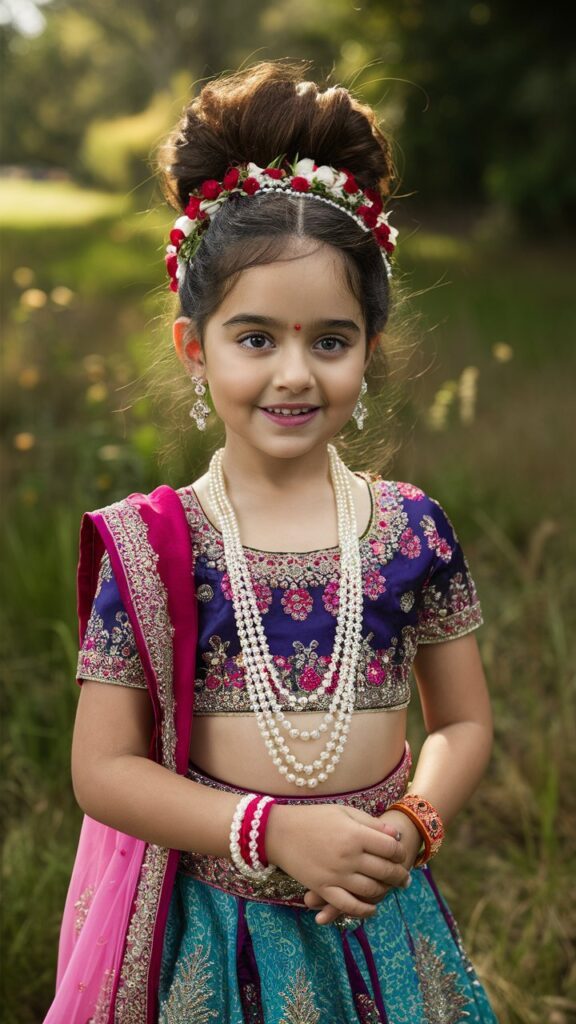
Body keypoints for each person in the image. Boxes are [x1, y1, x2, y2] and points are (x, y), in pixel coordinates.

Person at [45, 61, 498, 1023]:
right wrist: (270, 832)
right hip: (219, 931)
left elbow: (461, 723)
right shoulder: (161, 543)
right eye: (256, 338)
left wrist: (413, 827)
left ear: (369, 349)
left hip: (384, 916)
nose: (294, 374)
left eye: (329, 340)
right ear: (192, 346)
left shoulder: (410, 528)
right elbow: (102, 770)